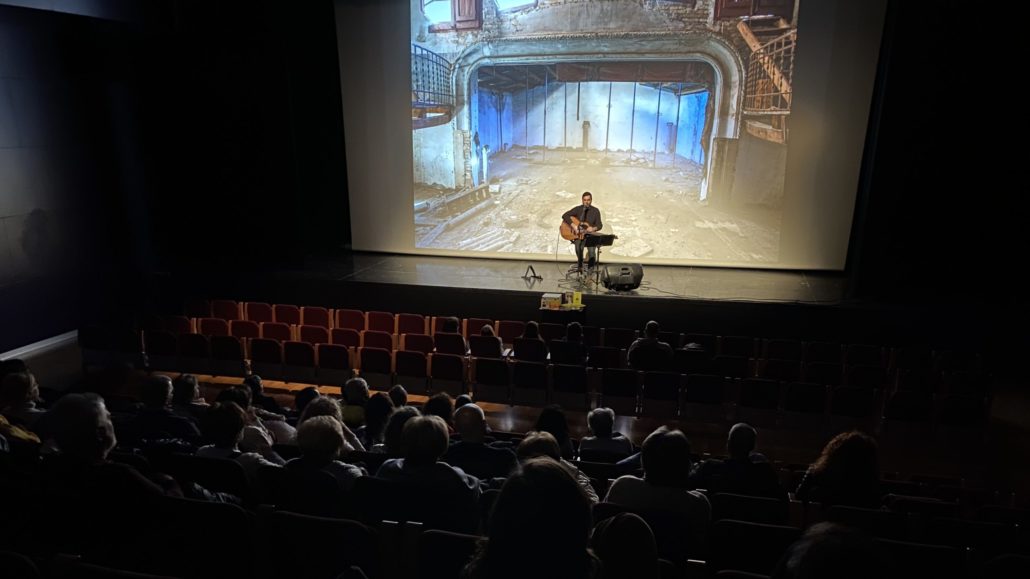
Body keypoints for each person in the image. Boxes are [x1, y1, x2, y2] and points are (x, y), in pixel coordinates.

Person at [689, 422, 785, 499]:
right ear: (752, 447)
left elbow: (689, 484)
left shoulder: (710, 468)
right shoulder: (765, 473)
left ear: (728, 445)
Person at [561, 191, 603, 271]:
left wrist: (593, 228)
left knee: (591, 252)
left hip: (590, 236)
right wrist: (573, 225)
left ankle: (590, 270)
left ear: (591, 200)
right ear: (582, 200)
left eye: (588, 200)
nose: (586, 202)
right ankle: (580, 266)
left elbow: (600, 225)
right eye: (585, 200)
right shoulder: (578, 209)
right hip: (578, 235)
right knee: (578, 248)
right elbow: (565, 215)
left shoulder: (595, 211)